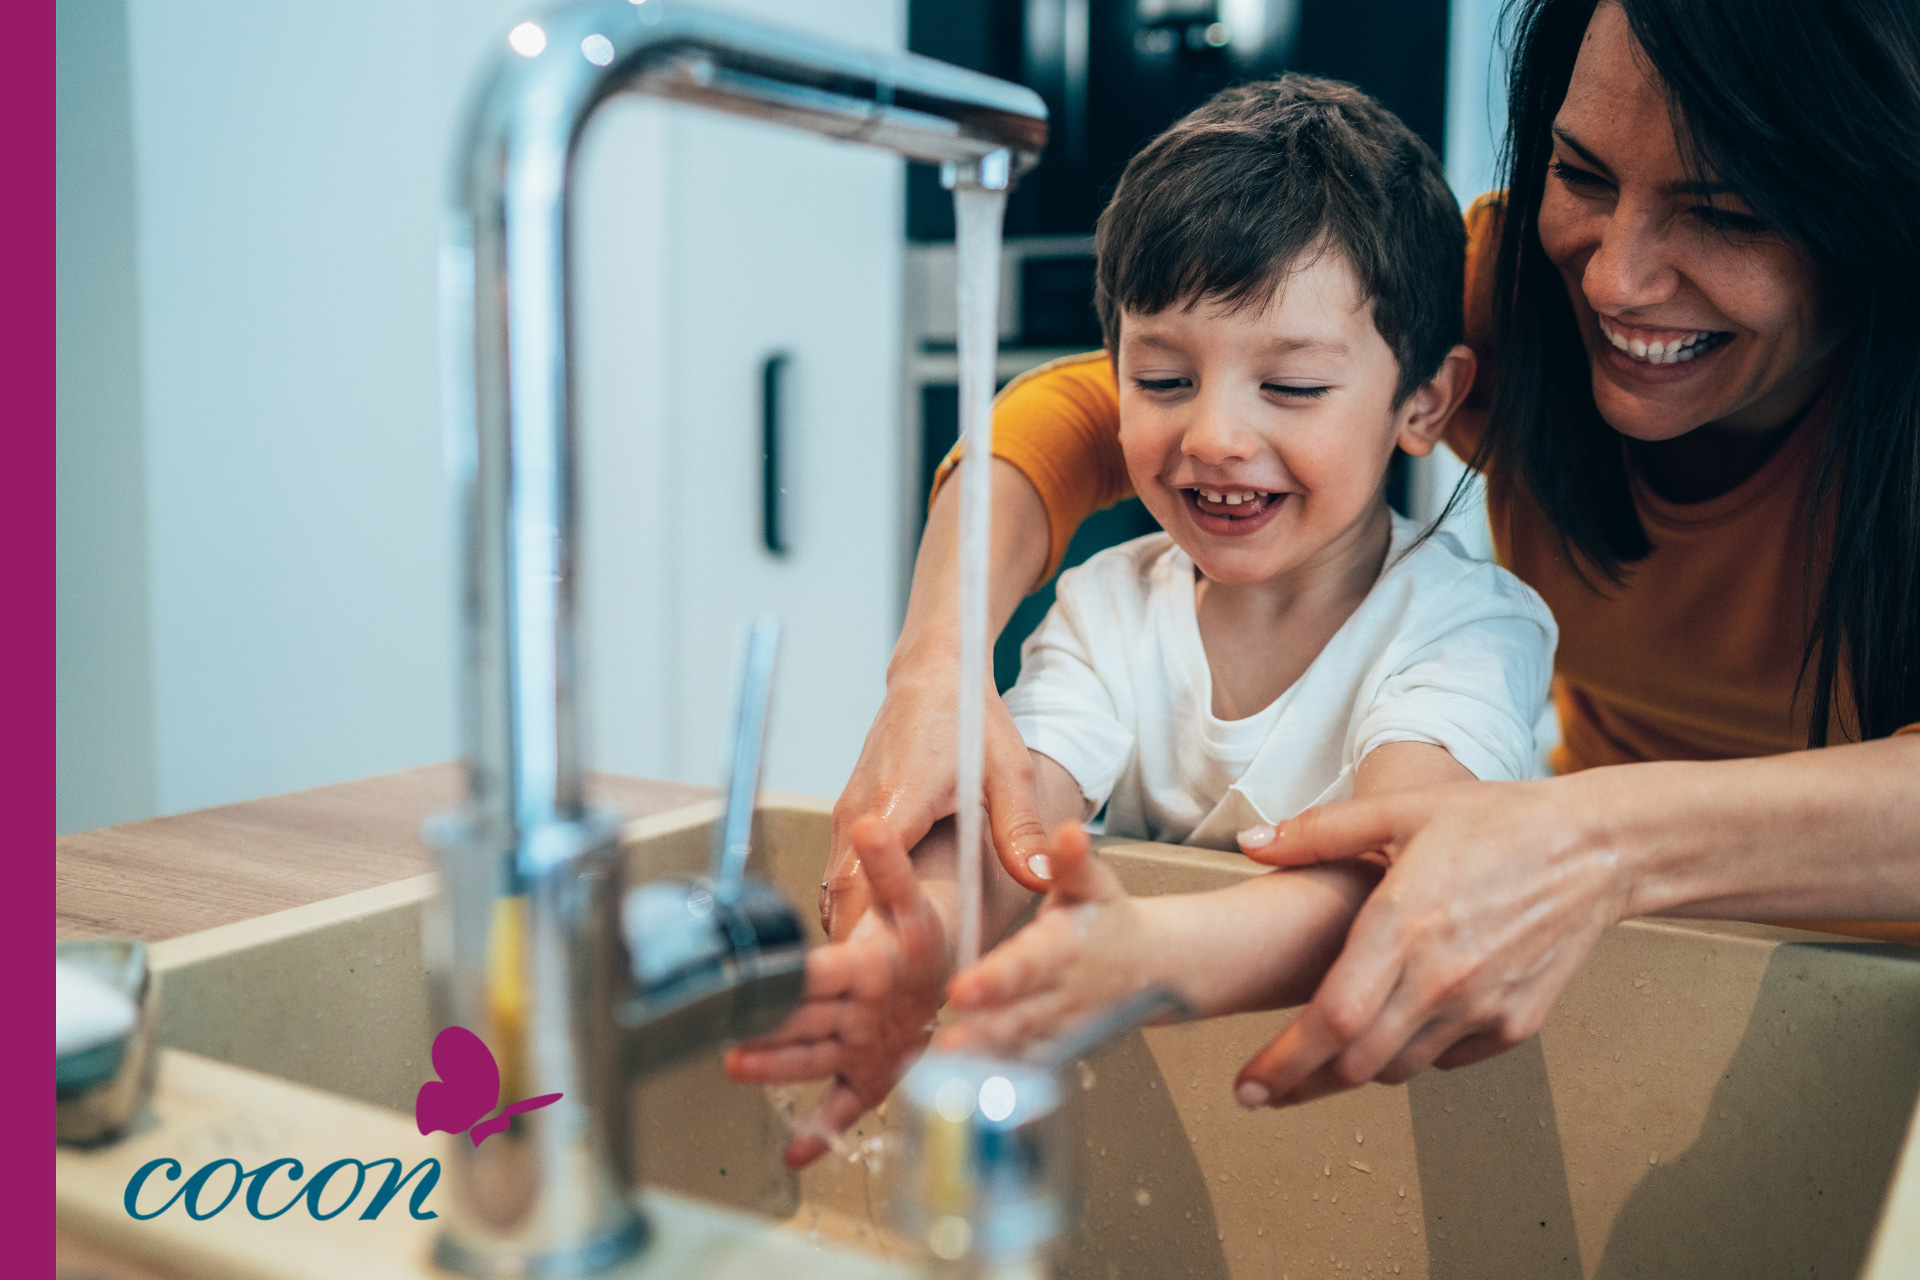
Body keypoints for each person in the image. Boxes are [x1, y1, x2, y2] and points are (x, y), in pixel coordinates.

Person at [824, 0, 1920, 1118]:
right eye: (1583, 174)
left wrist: (1597, 837)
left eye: (1726, 213)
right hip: (1583, 945)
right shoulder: (1518, 299)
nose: (1613, 281)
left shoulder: (1459, 620)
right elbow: (1083, 411)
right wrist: (937, 663)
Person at [725, 76, 1556, 1164]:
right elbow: (1019, 821)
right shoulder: (1108, 605)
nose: (1213, 434)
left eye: (1292, 387)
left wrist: (1147, 952)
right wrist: (911, 937)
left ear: (1425, 402)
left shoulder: (1467, 623)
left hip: (1413, 1147)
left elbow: (1415, 865)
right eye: (1163, 376)